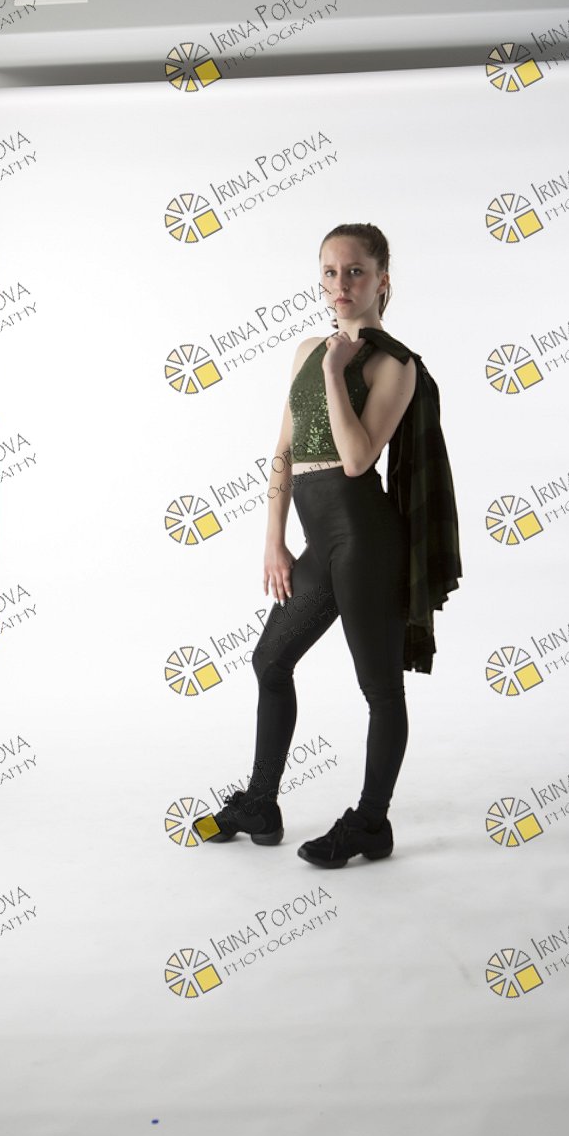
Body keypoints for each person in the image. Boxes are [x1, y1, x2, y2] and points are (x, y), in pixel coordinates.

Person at [194, 222, 460, 868]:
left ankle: (371, 822)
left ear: (382, 280)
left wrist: (340, 372)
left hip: (367, 541)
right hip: (320, 541)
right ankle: (261, 804)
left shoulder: (396, 364)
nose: (341, 284)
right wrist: (274, 540)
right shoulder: (306, 350)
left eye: (355, 271)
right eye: (330, 272)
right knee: (270, 660)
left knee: (380, 689)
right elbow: (284, 450)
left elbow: (357, 458)